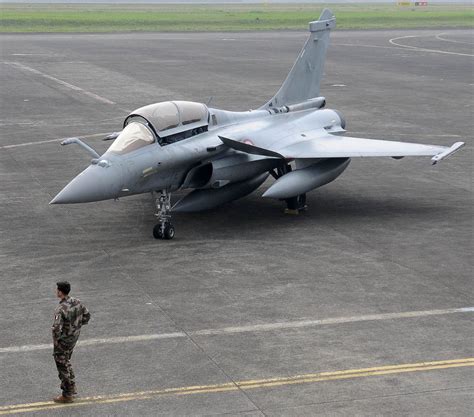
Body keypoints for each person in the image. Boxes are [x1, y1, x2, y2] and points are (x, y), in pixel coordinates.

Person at [52, 281, 91, 403]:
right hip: (74, 338)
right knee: (66, 360)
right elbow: (87, 316)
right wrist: (75, 328)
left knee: (62, 365)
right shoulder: (77, 302)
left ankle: (67, 394)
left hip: (63, 341)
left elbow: (56, 329)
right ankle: (72, 385)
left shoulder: (60, 309)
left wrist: (56, 341)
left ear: (60, 292)